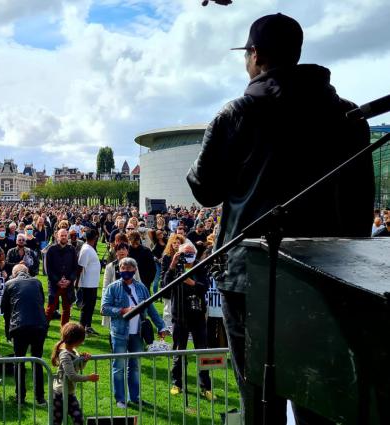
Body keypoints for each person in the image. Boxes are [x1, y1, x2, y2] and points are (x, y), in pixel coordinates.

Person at [186, 13, 374, 425]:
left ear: (255, 56)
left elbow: (203, 189)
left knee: (258, 400)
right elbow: (362, 209)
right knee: (319, 400)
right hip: (324, 279)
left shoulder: (238, 112)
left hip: (249, 278)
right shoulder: (348, 116)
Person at [101, 257, 167, 409]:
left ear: (134, 271)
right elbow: (104, 308)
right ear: (120, 270)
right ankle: (120, 399)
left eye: (129, 270)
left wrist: (161, 326)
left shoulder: (142, 288)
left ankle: (135, 397)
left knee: (135, 366)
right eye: (123, 269)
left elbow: (151, 309)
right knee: (119, 366)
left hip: (137, 333)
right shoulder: (112, 287)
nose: (126, 272)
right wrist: (122, 310)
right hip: (119, 333)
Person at [161, 243, 215, 401]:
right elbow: (164, 286)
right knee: (178, 351)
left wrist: (191, 283)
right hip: (179, 317)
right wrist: (172, 266)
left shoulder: (200, 266)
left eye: (191, 253)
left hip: (198, 316)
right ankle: (177, 383)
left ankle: (206, 387)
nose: (188, 256)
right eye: (185, 253)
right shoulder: (175, 268)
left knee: (202, 352)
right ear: (179, 254)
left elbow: (204, 287)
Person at [1, 264, 48, 405]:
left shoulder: (9, 284)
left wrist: (8, 332)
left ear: (14, 274)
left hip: (20, 326)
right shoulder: (37, 282)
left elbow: (5, 310)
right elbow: (41, 301)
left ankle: (20, 397)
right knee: (37, 361)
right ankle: (40, 398)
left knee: (19, 362)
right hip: (39, 325)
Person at [50, 322, 99, 425]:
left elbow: (78, 367)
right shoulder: (65, 355)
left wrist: (84, 360)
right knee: (56, 422)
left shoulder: (73, 350)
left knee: (79, 419)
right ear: (77, 340)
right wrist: (89, 378)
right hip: (59, 394)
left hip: (70, 394)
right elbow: (72, 376)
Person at [44, 229, 78, 327]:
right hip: (54, 284)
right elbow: (48, 269)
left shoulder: (72, 249)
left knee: (66, 309)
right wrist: (57, 281)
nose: (63, 237)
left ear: (67, 236)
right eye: (61, 235)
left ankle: (64, 332)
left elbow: (75, 268)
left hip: (68, 284)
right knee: (50, 309)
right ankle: (43, 330)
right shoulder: (51, 250)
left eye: (65, 235)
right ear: (57, 236)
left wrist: (69, 280)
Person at [76, 229, 101, 335]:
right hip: (86, 283)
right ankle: (81, 329)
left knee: (91, 306)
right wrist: (77, 282)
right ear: (95, 237)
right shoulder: (86, 249)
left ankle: (88, 326)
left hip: (92, 283)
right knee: (86, 307)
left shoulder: (90, 248)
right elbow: (80, 267)